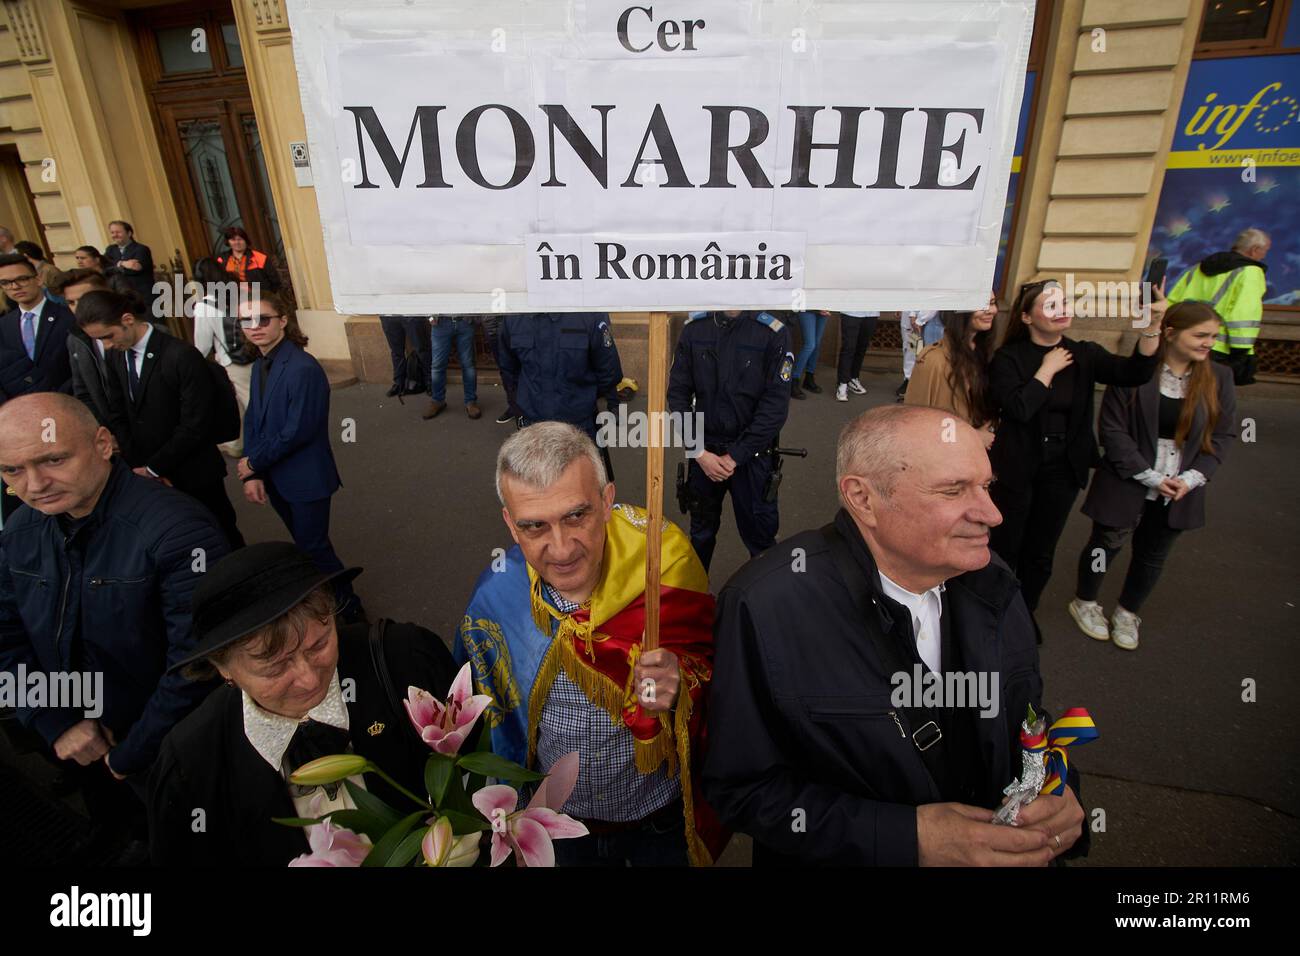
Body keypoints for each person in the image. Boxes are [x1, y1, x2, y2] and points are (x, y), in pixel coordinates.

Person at [703, 405, 1086, 866]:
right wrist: (911, 839)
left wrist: (1061, 793)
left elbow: (1025, 715)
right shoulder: (765, 605)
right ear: (863, 499)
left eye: (986, 485)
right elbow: (743, 789)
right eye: (953, 490)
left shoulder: (993, 580)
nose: (993, 514)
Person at [454, 423, 723, 866]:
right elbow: (482, 716)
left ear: (607, 499)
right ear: (509, 522)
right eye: (534, 526)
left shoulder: (664, 565)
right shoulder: (494, 598)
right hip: (555, 824)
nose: (561, 549)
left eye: (576, 515)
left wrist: (684, 685)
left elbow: (722, 675)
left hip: (659, 819)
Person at [0, 393, 229, 858]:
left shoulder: (177, 530)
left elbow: (198, 665)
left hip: (166, 754)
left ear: (104, 443)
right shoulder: (22, 528)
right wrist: (56, 721)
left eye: (53, 459)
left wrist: (127, 755)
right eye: (12, 470)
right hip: (77, 743)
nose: (36, 484)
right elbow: (5, 637)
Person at [148, 541, 462, 866]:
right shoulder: (191, 767)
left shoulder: (404, 660)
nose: (309, 679)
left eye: (319, 644)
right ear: (222, 667)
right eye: (275, 667)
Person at [988, 279, 1163, 642]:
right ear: (1026, 315)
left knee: (1041, 550)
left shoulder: (1084, 353)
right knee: (1006, 545)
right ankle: (992, 612)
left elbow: (1135, 373)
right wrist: (1046, 370)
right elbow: (1018, 408)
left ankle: (1024, 614)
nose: (1061, 309)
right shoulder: (1009, 358)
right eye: (1050, 305)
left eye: (1064, 302)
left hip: (1063, 468)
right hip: (1018, 467)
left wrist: (1151, 325)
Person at [1069, 301, 1237, 651]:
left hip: (1181, 485)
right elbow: (1112, 430)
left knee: (1153, 554)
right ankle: (1085, 602)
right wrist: (1149, 476)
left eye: (1214, 336)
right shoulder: (1136, 372)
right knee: (1106, 545)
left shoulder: (1220, 377)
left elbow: (1222, 436)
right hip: (1129, 477)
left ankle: (1128, 612)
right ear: (1170, 333)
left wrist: (1191, 479)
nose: (1209, 343)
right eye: (1201, 335)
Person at [76, 289, 244, 549]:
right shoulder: (116, 354)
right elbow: (118, 412)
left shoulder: (181, 355)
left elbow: (195, 423)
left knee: (219, 533)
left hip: (194, 470)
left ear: (128, 319)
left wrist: (155, 467)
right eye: (99, 341)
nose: (106, 345)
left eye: (108, 336)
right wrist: (139, 466)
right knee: (177, 541)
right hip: (145, 472)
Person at [236, 292, 365, 623]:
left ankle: (348, 607)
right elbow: (254, 419)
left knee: (314, 547)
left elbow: (298, 431)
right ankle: (323, 598)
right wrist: (254, 473)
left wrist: (253, 463)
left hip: (306, 478)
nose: (255, 327)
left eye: (263, 318)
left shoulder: (302, 368)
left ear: (282, 320)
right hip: (276, 475)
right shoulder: (260, 365)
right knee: (306, 545)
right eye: (246, 320)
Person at [667, 310, 793, 571]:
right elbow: (678, 395)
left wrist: (735, 455)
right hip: (705, 455)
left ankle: (762, 605)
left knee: (760, 540)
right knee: (700, 534)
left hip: (751, 457)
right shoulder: (695, 329)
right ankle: (696, 599)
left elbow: (774, 407)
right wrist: (698, 451)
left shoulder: (773, 333)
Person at [0, 253, 77, 518]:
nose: (15, 287)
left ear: (37, 278)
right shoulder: (4, 326)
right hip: (23, 428)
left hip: (66, 416)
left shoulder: (68, 317)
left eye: (21, 279)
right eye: (6, 283)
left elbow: (80, 371)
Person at [496, 311, 623, 444]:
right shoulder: (515, 316)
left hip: (578, 423)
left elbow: (610, 372)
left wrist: (584, 397)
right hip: (533, 422)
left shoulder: (588, 312)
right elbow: (508, 368)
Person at [1166, 227, 1269, 386]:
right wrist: (1241, 352)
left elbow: (1173, 303)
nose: (1265, 256)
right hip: (1219, 349)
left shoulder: (1198, 268)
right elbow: (1244, 314)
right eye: (1265, 251)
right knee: (1208, 399)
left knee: (1179, 391)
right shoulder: (1251, 272)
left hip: (1183, 344)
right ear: (1254, 250)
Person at [904, 291, 999, 447]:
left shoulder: (986, 354)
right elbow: (914, 424)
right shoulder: (933, 361)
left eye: (993, 302)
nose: (991, 310)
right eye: (982, 305)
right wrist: (972, 436)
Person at [192, 256, 255, 457]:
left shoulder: (204, 306)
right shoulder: (240, 292)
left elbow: (202, 344)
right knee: (244, 400)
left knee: (251, 403)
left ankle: (270, 442)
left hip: (232, 360)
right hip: (253, 353)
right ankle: (236, 443)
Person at [47, 269, 113, 426]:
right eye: (71, 302)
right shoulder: (75, 340)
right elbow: (83, 392)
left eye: (83, 300)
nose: (77, 308)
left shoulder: (138, 331)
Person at [424, 314, 481, 420]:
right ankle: (437, 401)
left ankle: (471, 401)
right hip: (440, 323)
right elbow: (426, 297)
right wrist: (430, 318)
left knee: (468, 364)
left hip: (464, 321)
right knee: (437, 365)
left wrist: (474, 317)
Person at [102, 220, 155, 309]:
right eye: (112, 232)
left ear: (129, 233)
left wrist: (115, 266)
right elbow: (105, 268)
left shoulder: (141, 249)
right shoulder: (110, 249)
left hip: (144, 297)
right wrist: (122, 263)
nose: (115, 235)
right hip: (123, 299)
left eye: (118, 232)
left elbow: (134, 270)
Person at [378, 314, 432, 398]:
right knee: (396, 351)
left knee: (421, 349)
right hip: (388, 314)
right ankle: (399, 383)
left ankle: (430, 382)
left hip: (410, 312)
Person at [215, 226, 280, 291]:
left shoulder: (260, 258)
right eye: (233, 240)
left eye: (240, 239)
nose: (237, 242)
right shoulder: (221, 260)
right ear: (228, 242)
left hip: (257, 297)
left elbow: (275, 282)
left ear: (246, 240)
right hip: (232, 297)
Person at [834, 310, 879, 402]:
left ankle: (853, 378)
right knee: (848, 347)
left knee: (862, 347)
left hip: (871, 313)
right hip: (851, 312)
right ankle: (842, 383)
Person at [897, 310, 940, 401]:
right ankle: (909, 380)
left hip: (925, 319)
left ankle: (918, 383)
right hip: (911, 319)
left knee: (923, 352)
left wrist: (919, 319)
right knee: (911, 349)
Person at [789, 310, 827, 400]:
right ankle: (793, 380)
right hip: (807, 307)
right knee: (810, 344)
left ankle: (809, 378)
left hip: (823, 306)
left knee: (816, 344)